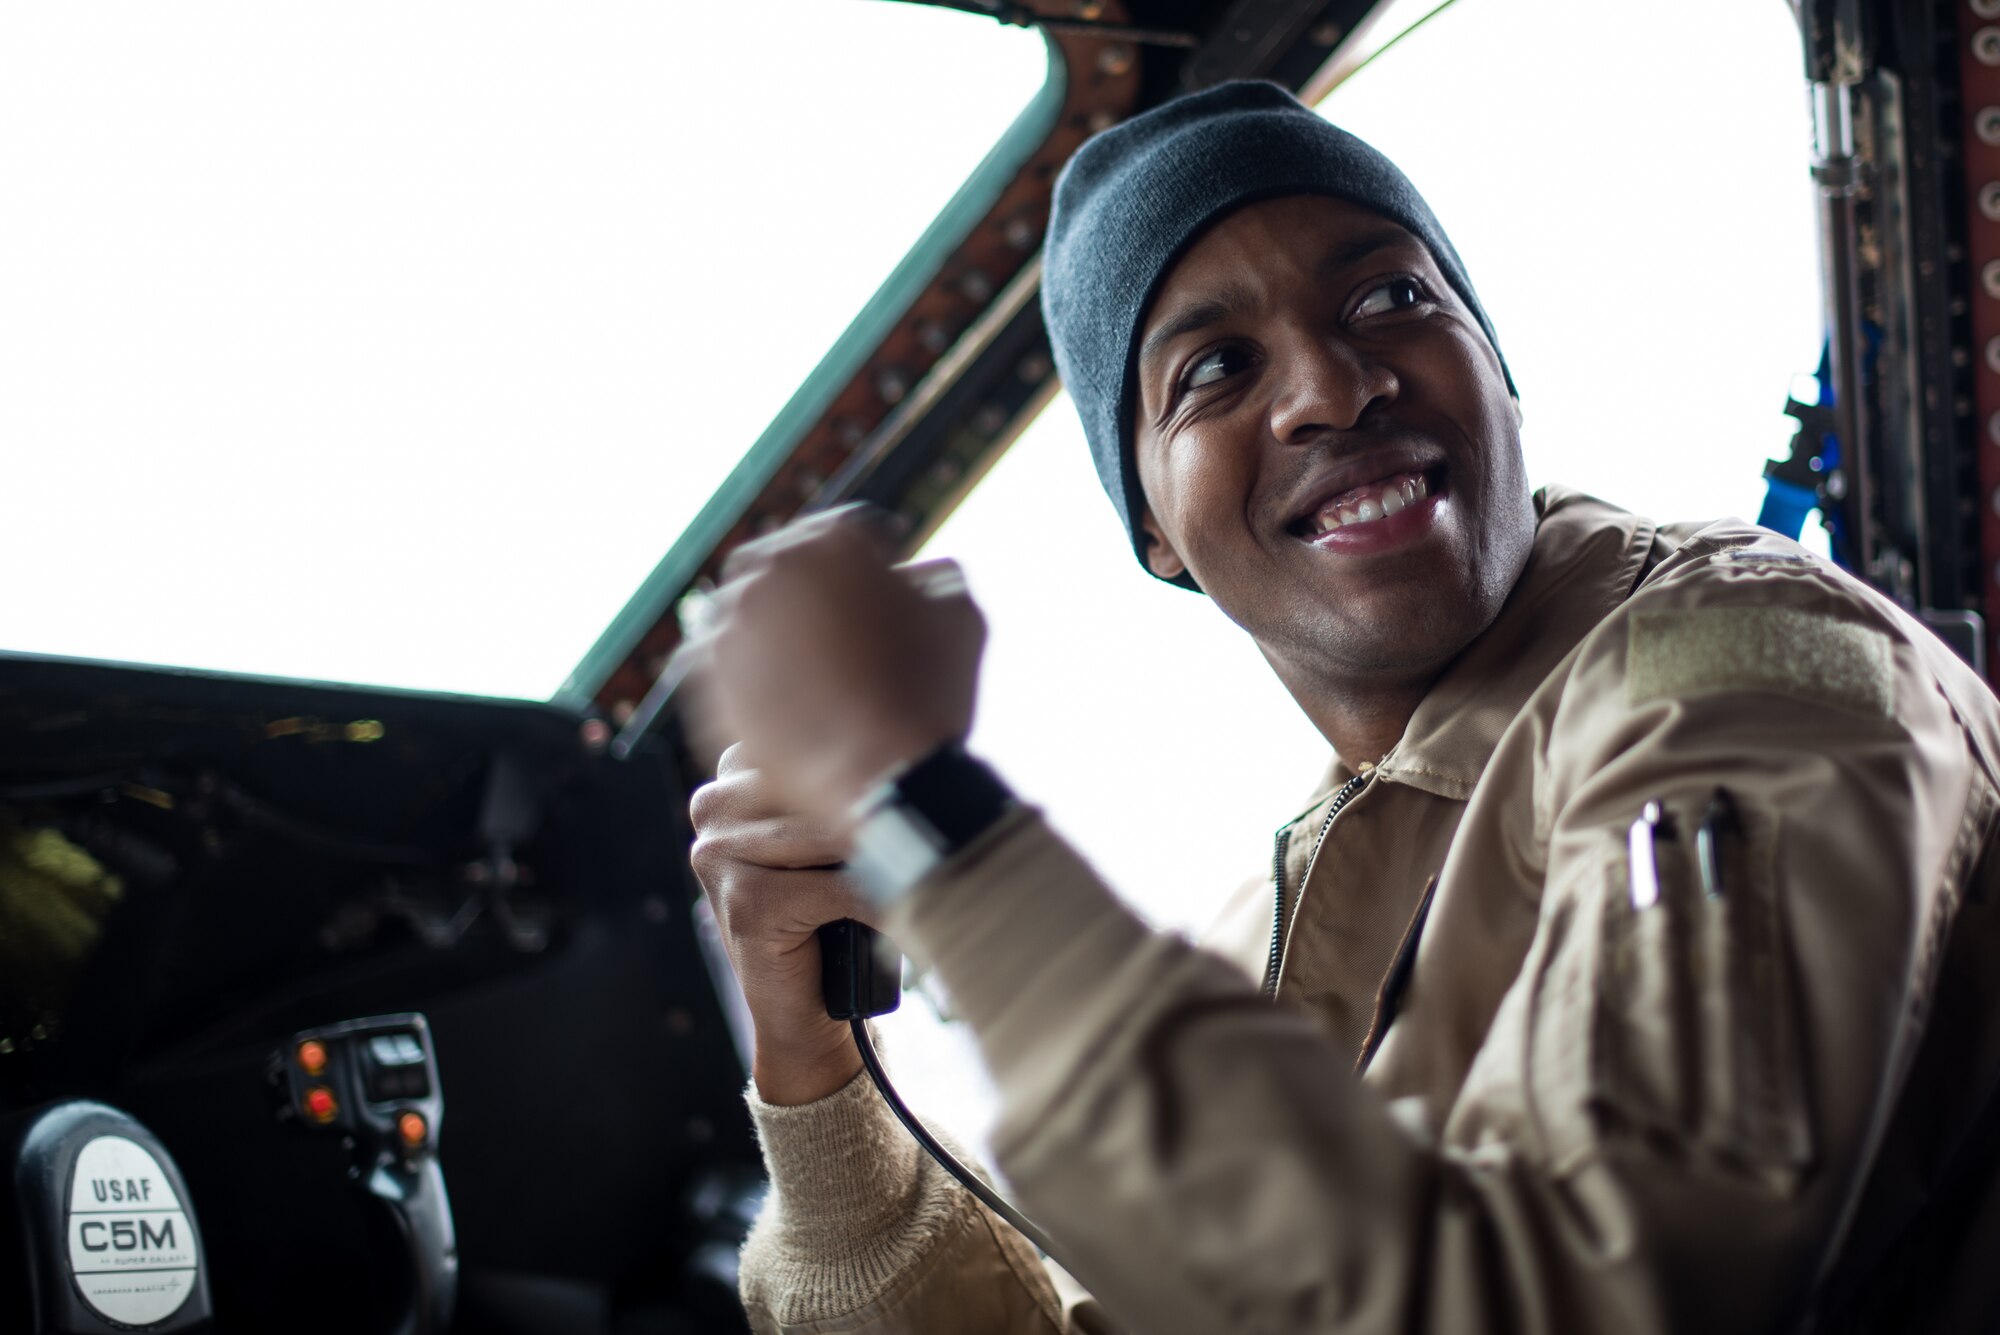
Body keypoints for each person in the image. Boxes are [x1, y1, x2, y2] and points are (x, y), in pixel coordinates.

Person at [686, 81, 2000, 1333]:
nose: (1333, 388)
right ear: (1155, 528)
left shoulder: (1749, 670)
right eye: (1213, 369)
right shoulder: (1274, 923)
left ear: (1499, 370)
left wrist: (929, 821)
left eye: (1390, 297)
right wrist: (817, 1070)